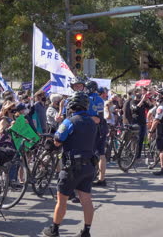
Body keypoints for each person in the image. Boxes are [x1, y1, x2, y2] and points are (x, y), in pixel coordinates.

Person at [43, 92, 97, 237]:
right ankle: (86, 231)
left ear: (72, 105)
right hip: (89, 165)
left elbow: (58, 139)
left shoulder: (70, 121)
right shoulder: (92, 121)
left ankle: (54, 230)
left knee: (62, 199)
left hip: (71, 166)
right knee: (86, 199)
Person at [85, 81, 108, 187]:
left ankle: (90, 177)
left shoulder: (89, 98)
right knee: (101, 153)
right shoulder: (99, 98)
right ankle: (101, 178)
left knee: (92, 152)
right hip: (102, 125)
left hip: (95, 126)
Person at [130, 88, 151, 159]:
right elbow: (135, 108)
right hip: (136, 123)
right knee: (136, 139)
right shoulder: (132, 101)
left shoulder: (143, 102)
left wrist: (147, 100)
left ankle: (138, 155)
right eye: (139, 93)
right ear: (135, 93)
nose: (141, 94)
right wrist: (142, 100)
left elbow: (151, 107)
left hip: (143, 122)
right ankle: (132, 152)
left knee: (141, 139)